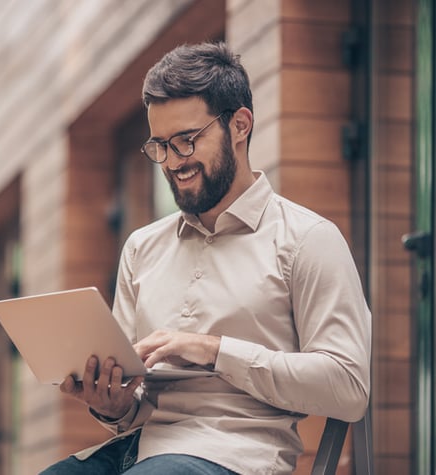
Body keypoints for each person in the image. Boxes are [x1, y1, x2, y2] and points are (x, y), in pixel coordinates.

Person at [40, 41, 371, 475]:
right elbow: (132, 405)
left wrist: (214, 350)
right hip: (138, 452)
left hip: (236, 457)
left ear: (240, 124)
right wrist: (112, 404)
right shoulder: (142, 248)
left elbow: (348, 386)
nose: (173, 162)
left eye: (187, 141)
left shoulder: (308, 240)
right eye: (160, 145)